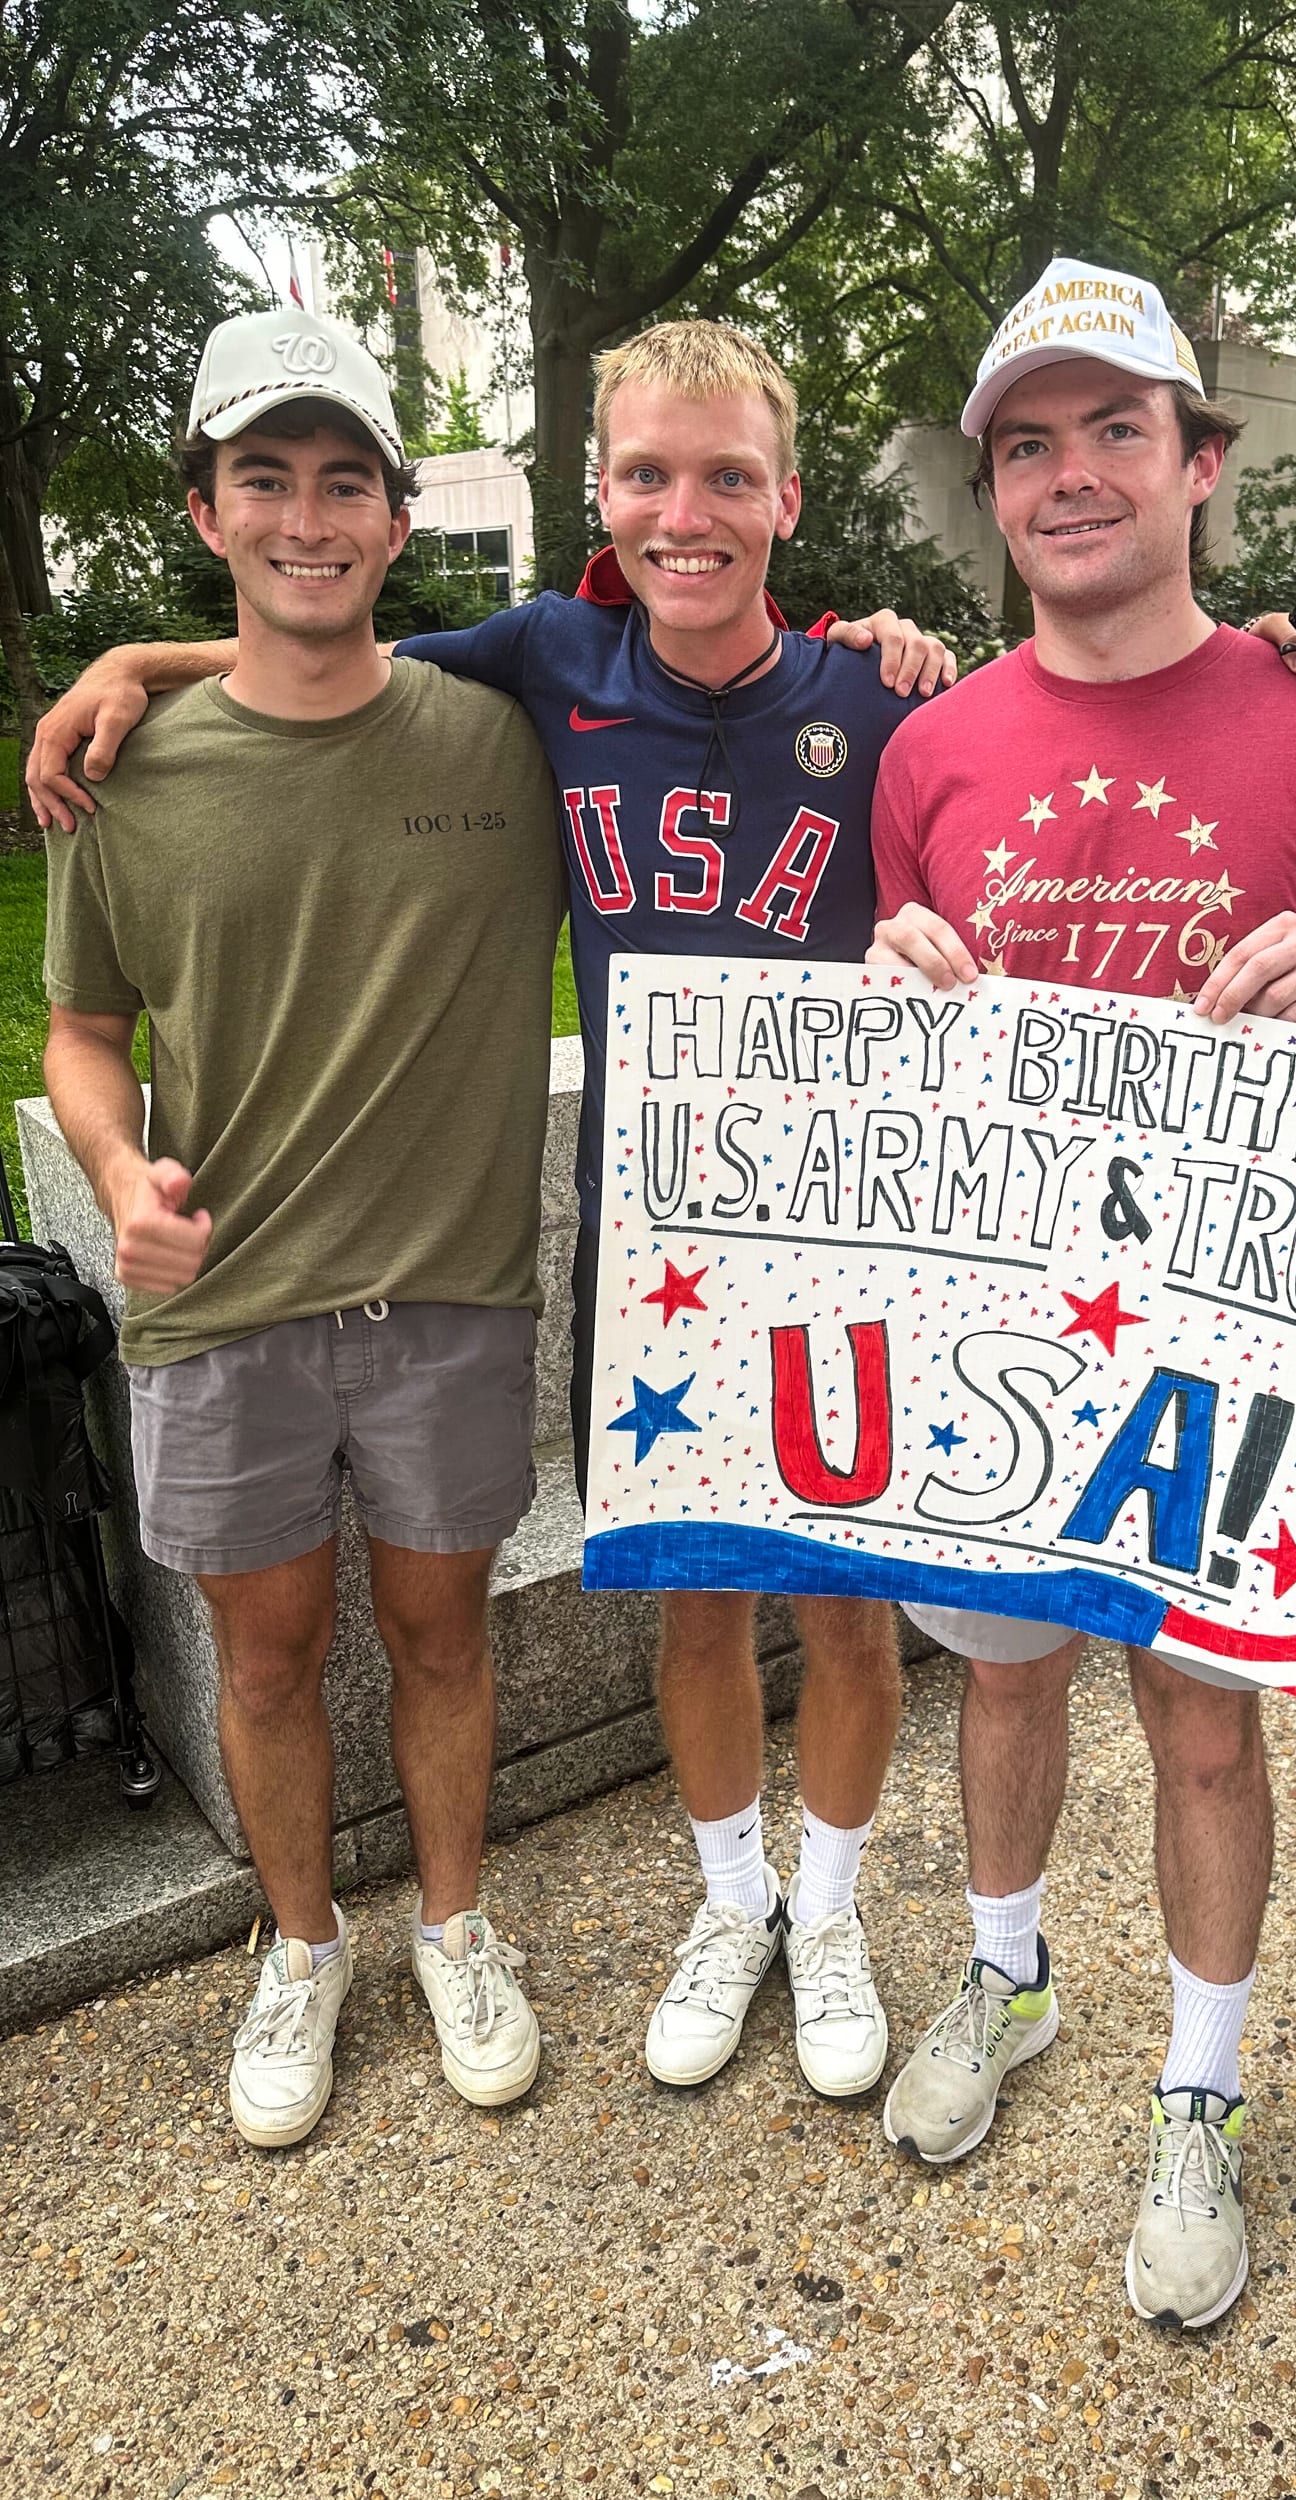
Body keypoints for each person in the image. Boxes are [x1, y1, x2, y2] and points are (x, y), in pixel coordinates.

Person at [30, 320, 956, 2106]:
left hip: (845, 1229)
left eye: (731, 475)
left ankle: (822, 1915)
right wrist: (136, 656)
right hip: (655, 1237)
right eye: (649, 476)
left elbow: (1023, 776)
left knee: (846, 1619)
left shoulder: (880, 697)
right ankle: (727, 1900)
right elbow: (311, 646)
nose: (689, 511)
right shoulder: (548, 660)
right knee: (690, 1610)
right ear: (596, 493)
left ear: (786, 495)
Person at [865, 256, 1296, 2331]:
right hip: (1003, 1329)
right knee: (999, 1677)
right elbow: (890, 1048)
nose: (1071, 471)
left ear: (1199, 462)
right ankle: (1003, 1970)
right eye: (1029, 440)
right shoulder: (928, 748)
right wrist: (884, 989)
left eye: (1117, 429)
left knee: (1202, 1725)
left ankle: (1197, 2084)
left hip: (1218, 1339)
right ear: (993, 490)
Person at [41, 309, 562, 2146]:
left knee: (441, 1636)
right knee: (264, 1659)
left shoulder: (509, 740)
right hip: (226, 1300)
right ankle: (299, 1942)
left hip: (447, 1293)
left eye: (348, 480)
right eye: (266, 478)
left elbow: (722, 677)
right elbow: (82, 1034)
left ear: (400, 523)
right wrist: (117, 1176)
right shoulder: (128, 775)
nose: (308, 517)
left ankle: (457, 1922)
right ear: (205, 509)